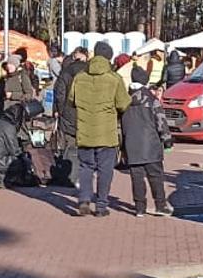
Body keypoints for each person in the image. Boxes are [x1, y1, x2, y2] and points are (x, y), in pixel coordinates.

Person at [69, 43, 131, 216]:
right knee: (105, 169)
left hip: (85, 130)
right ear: (109, 57)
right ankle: (101, 206)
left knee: (85, 167)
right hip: (107, 133)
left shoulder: (80, 77)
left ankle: (84, 200)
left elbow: (71, 100)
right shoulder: (114, 79)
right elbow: (123, 103)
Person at [121, 83, 171, 217]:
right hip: (151, 144)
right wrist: (166, 139)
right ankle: (160, 205)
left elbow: (121, 125)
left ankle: (139, 208)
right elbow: (161, 121)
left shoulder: (124, 101)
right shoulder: (151, 100)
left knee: (137, 178)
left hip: (131, 145)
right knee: (155, 177)